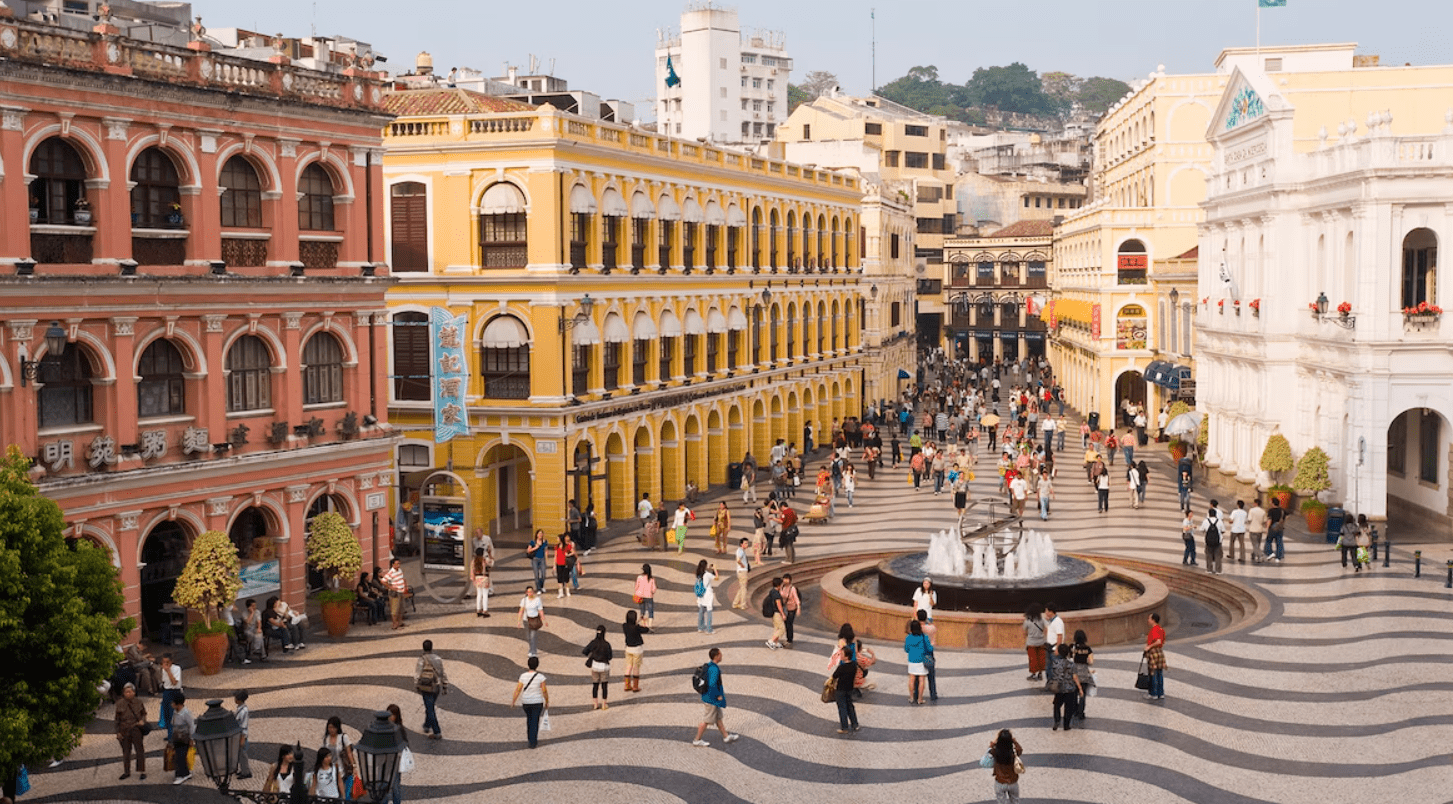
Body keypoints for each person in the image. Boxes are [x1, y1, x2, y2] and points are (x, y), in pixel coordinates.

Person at [691, 648, 740, 748]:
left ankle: (726, 736)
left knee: (718, 718)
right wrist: (718, 696)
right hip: (711, 699)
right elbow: (712, 684)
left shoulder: (710, 665)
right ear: (717, 656)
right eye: (720, 654)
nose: (722, 656)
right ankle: (697, 740)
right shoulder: (714, 669)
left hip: (708, 697)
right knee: (706, 720)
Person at [829, 624, 862, 734]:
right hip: (851, 678)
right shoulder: (854, 642)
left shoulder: (842, 644)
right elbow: (856, 654)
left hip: (842, 684)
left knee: (842, 706)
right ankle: (855, 724)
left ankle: (844, 727)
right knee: (850, 704)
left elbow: (834, 675)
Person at [510, 656, 550, 749]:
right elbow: (544, 690)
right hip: (537, 702)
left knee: (529, 720)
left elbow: (518, 689)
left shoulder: (523, 676)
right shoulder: (541, 677)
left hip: (526, 702)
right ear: (537, 665)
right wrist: (547, 701)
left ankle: (530, 739)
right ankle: (533, 741)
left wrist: (513, 701)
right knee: (535, 721)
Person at [414, 640, 448, 740]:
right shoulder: (438, 659)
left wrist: (417, 685)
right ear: (432, 647)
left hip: (426, 687)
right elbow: (442, 673)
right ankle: (426, 725)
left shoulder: (421, 659)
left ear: (423, 648)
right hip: (436, 687)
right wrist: (445, 685)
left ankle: (437, 731)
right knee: (430, 706)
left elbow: (417, 674)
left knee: (430, 708)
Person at [114, 682, 147, 781]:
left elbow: (143, 714)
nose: (128, 694)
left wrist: (143, 721)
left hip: (136, 729)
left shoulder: (139, 702)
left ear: (133, 692)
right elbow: (117, 719)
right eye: (126, 692)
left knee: (139, 750)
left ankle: (142, 771)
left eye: (130, 691)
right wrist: (117, 732)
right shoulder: (119, 704)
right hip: (124, 730)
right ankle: (126, 771)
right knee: (126, 752)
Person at [983, 729, 1024, 803]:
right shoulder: (1013, 753)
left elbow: (989, 749)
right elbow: (1020, 750)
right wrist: (1014, 741)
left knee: (1001, 802)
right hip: (1013, 782)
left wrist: (994, 741)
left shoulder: (995, 752)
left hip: (1000, 782)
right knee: (1015, 801)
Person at [1048, 644, 1081, 730]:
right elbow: (1075, 677)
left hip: (1058, 688)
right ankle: (1066, 725)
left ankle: (1057, 720)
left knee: (1057, 705)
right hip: (1069, 689)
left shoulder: (1054, 663)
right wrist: (1080, 688)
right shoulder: (1072, 664)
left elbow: (1052, 674)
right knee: (1068, 708)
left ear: (1058, 652)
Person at [582, 624, 614, 710]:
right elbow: (610, 657)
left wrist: (593, 654)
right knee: (604, 686)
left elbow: (585, 651)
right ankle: (604, 704)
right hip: (604, 667)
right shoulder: (607, 644)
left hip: (595, 666)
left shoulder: (593, 642)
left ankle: (595, 704)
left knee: (595, 685)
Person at [321, 716, 354, 796]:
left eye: (333, 727)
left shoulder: (343, 737)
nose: (331, 730)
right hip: (329, 770)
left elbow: (349, 753)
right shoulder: (326, 739)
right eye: (329, 727)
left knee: (342, 789)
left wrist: (354, 766)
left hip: (342, 768)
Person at [621, 609, 651, 693]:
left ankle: (627, 685)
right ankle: (635, 686)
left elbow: (632, 626)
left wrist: (639, 621)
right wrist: (644, 622)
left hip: (628, 649)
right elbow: (646, 629)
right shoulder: (637, 628)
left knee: (629, 666)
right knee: (636, 667)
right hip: (637, 650)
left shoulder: (624, 626)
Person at [903, 619, 932, 704]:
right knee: (921, 679)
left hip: (912, 660)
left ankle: (911, 697)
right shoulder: (924, 637)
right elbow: (929, 648)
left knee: (911, 679)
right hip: (922, 660)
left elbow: (906, 649)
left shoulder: (908, 637)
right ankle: (920, 699)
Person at [384, 704, 407, 804]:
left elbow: (404, 744)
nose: (390, 717)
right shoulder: (382, 727)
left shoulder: (399, 729)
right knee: (384, 787)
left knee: (395, 787)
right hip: (384, 761)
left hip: (395, 762)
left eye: (392, 715)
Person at [169, 692, 194, 785]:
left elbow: (191, 725)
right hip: (177, 737)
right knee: (178, 756)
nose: (171, 704)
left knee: (180, 756)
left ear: (178, 704)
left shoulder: (186, 713)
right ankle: (186, 772)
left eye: (173, 702)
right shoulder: (175, 712)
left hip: (184, 738)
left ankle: (181, 775)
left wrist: (191, 738)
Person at [1071, 630, 1095, 721]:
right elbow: (1091, 662)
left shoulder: (1072, 647)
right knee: (1082, 695)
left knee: (1074, 694)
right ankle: (1081, 713)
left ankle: (1075, 711)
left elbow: (1070, 658)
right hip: (1084, 674)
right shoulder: (1088, 649)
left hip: (1075, 673)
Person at [916, 609, 939, 701]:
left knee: (917, 675)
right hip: (929, 652)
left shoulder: (916, 629)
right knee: (931, 675)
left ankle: (916, 694)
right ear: (926, 617)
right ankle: (933, 694)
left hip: (918, 652)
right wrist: (928, 621)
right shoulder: (931, 628)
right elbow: (934, 627)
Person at [518, 586, 547, 658]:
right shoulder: (524, 600)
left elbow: (540, 610)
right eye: (528, 592)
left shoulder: (537, 600)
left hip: (534, 620)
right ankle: (531, 649)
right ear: (526, 593)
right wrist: (519, 620)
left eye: (531, 591)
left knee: (533, 636)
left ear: (533, 592)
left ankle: (533, 651)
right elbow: (521, 611)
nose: (530, 593)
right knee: (528, 637)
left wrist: (544, 619)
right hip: (526, 620)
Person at [1144, 613, 1167, 700]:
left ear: (1153, 620)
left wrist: (1149, 647)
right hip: (1159, 652)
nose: (1148, 620)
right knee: (1159, 673)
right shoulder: (1161, 629)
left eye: (1149, 618)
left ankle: (1153, 693)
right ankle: (1160, 693)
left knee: (1153, 673)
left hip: (1153, 653)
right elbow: (1162, 641)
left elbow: (1158, 641)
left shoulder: (1155, 629)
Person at [381, 559, 409, 630]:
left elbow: (402, 578)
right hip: (394, 593)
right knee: (394, 609)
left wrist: (405, 586)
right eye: (396, 564)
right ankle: (394, 623)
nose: (398, 565)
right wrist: (390, 587)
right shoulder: (390, 573)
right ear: (392, 565)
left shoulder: (400, 570)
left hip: (400, 591)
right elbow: (383, 581)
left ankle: (400, 622)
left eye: (399, 563)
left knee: (401, 608)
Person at [158, 654, 182, 737]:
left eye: (167, 662)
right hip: (167, 692)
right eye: (163, 662)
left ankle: (176, 733)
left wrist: (168, 671)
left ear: (171, 662)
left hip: (175, 691)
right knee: (167, 713)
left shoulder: (176, 668)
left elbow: (174, 682)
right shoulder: (163, 670)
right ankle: (170, 734)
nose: (165, 664)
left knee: (174, 713)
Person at [1021, 606, 1047, 682]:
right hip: (1041, 642)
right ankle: (1040, 673)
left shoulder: (1027, 621)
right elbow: (1046, 628)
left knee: (1033, 659)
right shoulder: (1042, 620)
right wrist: (1044, 637)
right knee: (1040, 658)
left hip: (1031, 643)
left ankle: (1033, 674)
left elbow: (1024, 632)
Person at [1201, 500, 1225, 574]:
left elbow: (1201, 529)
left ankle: (1209, 569)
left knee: (1209, 555)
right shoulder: (1219, 521)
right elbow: (1223, 530)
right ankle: (1218, 570)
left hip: (1208, 541)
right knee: (1218, 556)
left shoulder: (1206, 521)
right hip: (1218, 541)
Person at [233, 690, 252, 780]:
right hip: (239, 734)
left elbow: (244, 726)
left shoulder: (244, 711)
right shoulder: (240, 708)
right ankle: (244, 770)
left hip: (241, 735)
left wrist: (242, 738)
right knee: (241, 754)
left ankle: (246, 772)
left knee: (243, 754)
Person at [764, 577, 787, 650]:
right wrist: (783, 614)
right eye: (782, 584)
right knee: (782, 629)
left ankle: (776, 643)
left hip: (773, 612)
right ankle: (771, 641)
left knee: (776, 628)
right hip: (777, 613)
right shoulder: (776, 594)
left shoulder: (772, 591)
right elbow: (779, 605)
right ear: (778, 585)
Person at [694, 560, 717, 634]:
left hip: (701, 594)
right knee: (709, 611)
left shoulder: (698, 574)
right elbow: (716, 578)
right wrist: (715, 569)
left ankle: (700, 627)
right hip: (707, 594)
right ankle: (709, 629)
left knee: (701, 610)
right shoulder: (707, 574)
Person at [780, 573, 802, 646]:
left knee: (789, 624)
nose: (785, 580)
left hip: (792, 608)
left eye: (787, 579)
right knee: (786, 624)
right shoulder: (782, 587)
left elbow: (796, 598)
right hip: (785, 607)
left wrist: (798, 608)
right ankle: (788, 638)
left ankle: (790, 640)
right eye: (784, 579)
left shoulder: (792, 589)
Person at [470, 547, 492, 618]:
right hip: (484, 578)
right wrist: (490, 554)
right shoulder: (484, 560)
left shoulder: (473, 561)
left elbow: (472, 571)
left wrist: (473, 580)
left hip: (477, 578)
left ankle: (478, 610)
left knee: (479, 595)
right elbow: (491, 564)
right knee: (485, 595)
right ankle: (485, 611)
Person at [1246, 498, 1268, 565]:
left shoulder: (1252, 510)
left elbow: (1249, 519)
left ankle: (1260, 555)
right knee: (1257, 543)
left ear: (1256, 503)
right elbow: (1265, 521)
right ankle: (1253, 554)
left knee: (1255, 544)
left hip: (1253, 529)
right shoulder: (1263, 511)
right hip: (1260, 529)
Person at [1263, 498, 1286, 563]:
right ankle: (1278, 557)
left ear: (1273, 503)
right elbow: (1287, 516)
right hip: (1280, 528)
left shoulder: (1271, 510)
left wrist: (1267, 528)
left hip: (1272, 528)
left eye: (1271, 502)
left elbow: (1269, 520)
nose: (1270, 503)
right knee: (1279, 542)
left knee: (1268, 541)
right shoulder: (1282, 510)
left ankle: (1270, 553)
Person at [1227, 500, 1249, 565]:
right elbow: (1246, 521)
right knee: (1242, 544)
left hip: (1234, 529)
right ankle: (1242, 557)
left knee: (1232, 542)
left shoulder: (1234, 512)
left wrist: (1230, 522)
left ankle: (1232, 554)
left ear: (1238, 505)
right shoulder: (1245, 513)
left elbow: (1231, 520)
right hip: (1242, 530)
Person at [553, 535, 575, 599]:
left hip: (565, 564)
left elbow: (573, 552)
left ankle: (567, 591)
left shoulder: (567, 546)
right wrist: (554, 565)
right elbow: (555, 556)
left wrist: (568, 555)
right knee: (559, 578)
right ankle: (561, 592)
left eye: (558, 538)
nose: (557, 539)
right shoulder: (556, 546)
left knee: (566, 578)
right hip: (559, 564)